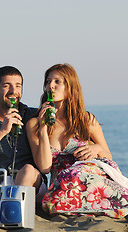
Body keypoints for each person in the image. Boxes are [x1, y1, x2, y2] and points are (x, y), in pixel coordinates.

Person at [26, 63, 128, 219]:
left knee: (80, 175)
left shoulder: (86, 120)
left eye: (57, 82)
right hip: (62, 186)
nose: (50, 86)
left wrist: (96, 148)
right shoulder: (34, 124)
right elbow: (45, 168)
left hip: (88, 179)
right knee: (59, 193)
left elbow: (109, 157)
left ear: (70, 87)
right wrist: (43, 129)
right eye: (47, 82)